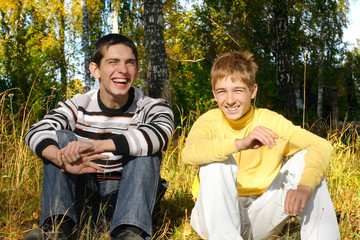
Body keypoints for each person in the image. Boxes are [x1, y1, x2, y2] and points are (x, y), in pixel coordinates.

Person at [24, 33, 175, 240]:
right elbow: (36, 131)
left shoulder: (152, 106)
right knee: (60, 137)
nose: (122, 70)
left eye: (130, 63)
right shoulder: (79, 104)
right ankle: (57, 227)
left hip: (130, 198)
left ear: (137, 69)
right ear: (95, 69)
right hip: (84, 195)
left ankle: (129, 231)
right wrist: (61, 157)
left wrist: (98, 146)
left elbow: (161, 133)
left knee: (146, 146)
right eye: (113, 62)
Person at [181, 51, 340, 240]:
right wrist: (240, 144)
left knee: (307, 164)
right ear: (214, 94)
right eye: (222, 91)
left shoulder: (270, 121)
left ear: (253, 91)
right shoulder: (208, 121)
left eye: (238, 90)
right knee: (217, 161)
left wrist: (305, 186)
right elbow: (189, 154)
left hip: (260, 213)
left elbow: (321, 145)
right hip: (213, 217)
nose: (230, 100)